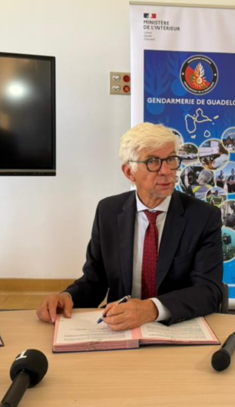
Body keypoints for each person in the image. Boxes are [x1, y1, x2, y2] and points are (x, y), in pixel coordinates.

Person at [37, 123, 224, 330]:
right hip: (120, 327)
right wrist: (67, 297)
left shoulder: (203, 217)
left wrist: (152, 309)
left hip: (178, 326)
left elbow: (208, 290)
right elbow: (95, 280)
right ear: (129, 172)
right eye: (153, 162)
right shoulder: (108, 211)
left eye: (171, 159)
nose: (167, 171)